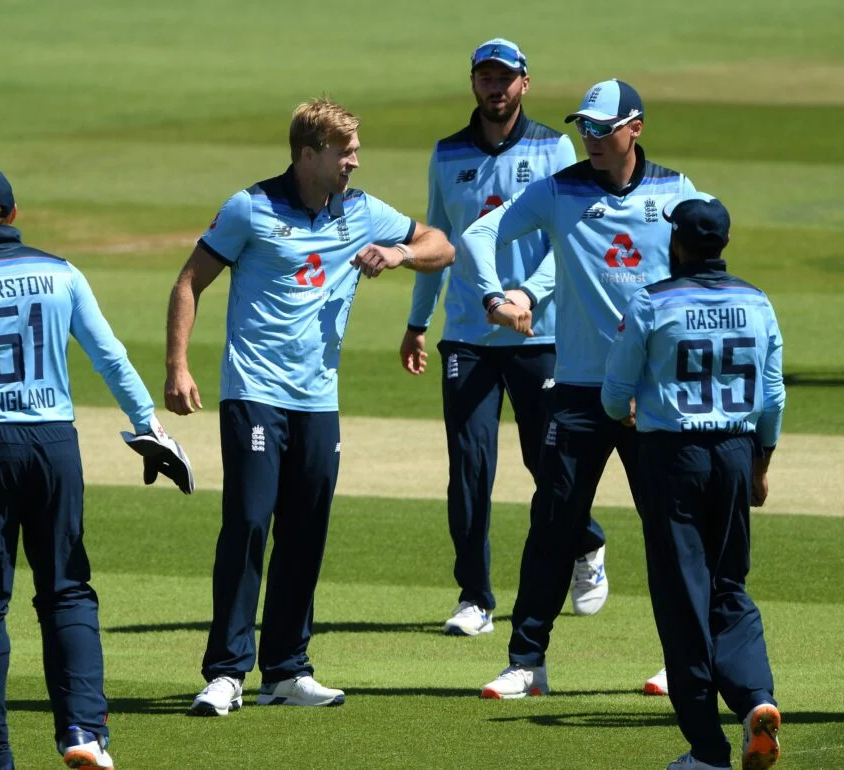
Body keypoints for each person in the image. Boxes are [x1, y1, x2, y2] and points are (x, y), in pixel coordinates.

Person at [0, 165, 191, 770]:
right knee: (67, 591)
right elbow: (110, 356)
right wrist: (149, 426)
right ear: (14, 215)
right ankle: (83, 733)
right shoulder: (60, 272)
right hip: (54, 446)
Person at [165, 98, 454, 716]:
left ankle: (287, 670)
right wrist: (178, 367)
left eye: (354, 150)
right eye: (343, 152)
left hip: (318, 401)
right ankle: (225, 673)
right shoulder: (251, 207)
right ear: (307, 155)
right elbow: (190, 280)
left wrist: (400, 254)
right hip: (254, 393)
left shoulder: (363, 210)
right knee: (248, 523)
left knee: (306, 531)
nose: (354, 161)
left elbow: (441, 245)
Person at [462, 80, 696, 698]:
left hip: (654, 398)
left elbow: (704, 270)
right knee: (553, 524)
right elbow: (480, 234)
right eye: (585, 127)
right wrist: (496, 294)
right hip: (580, 391)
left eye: (603, 128)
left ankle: (685, 661)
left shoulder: (677, 191)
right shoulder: (559, 189)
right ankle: (526, 663)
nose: (591, 138)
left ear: (635, 128)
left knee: (669, 529)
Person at [401, 38, 603, 637]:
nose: (495, 88)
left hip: (537, 333)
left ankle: (587, 543)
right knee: (469, 466)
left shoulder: (554, 147)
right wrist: (418, 322)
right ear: (473, 84)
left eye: (505, 78)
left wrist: (529, 296)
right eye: (485, 78)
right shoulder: (447, 154)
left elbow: (570, 242)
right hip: (466, 334)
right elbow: (436, 244)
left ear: (524, 83)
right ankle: (475, 598)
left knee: (549, 462)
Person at [602, 194, 783, 770]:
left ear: (677, 242)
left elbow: (612, 397)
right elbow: (773, 397)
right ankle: (758, 701)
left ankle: (708, 747)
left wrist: (629, 413)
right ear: (724, 244)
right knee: (730, 587)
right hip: (735, 450)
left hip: (673, 457)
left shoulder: (652, 301)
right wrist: (759, 464)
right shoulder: (757, 302)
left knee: (683, 600)